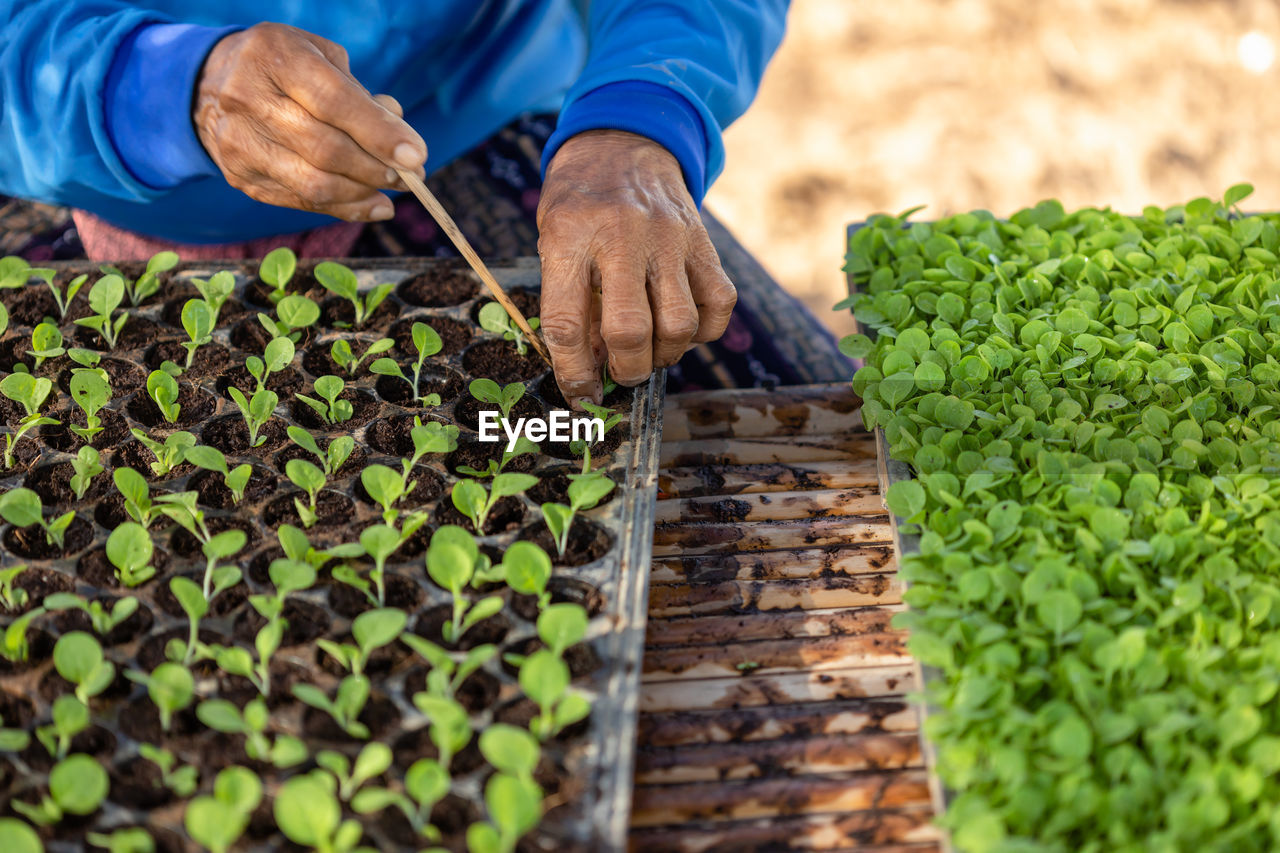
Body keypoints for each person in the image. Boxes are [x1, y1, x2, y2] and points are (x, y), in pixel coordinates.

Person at [0, 1, 848, 398]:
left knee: (802, 425)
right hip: (75, 166)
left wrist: (636, 123)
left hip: (480, 126)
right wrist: (158, 87)